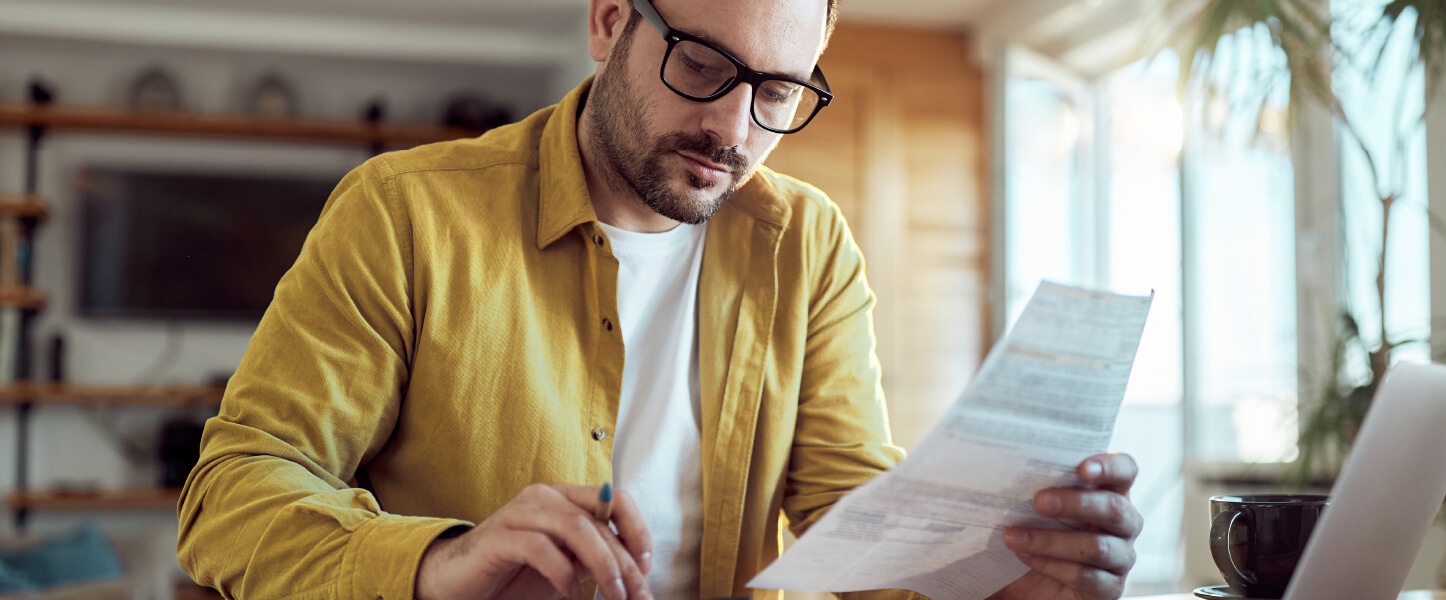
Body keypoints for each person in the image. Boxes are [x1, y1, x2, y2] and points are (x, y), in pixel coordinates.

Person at [175, 0, 1143, 598]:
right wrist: (434, 565)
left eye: (777, 92)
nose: (732, 126)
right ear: (607, 21)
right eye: (702, 65)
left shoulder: (806, 246)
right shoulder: (403, 211)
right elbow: (233, 493)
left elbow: (849, 510)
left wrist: (997, 579)